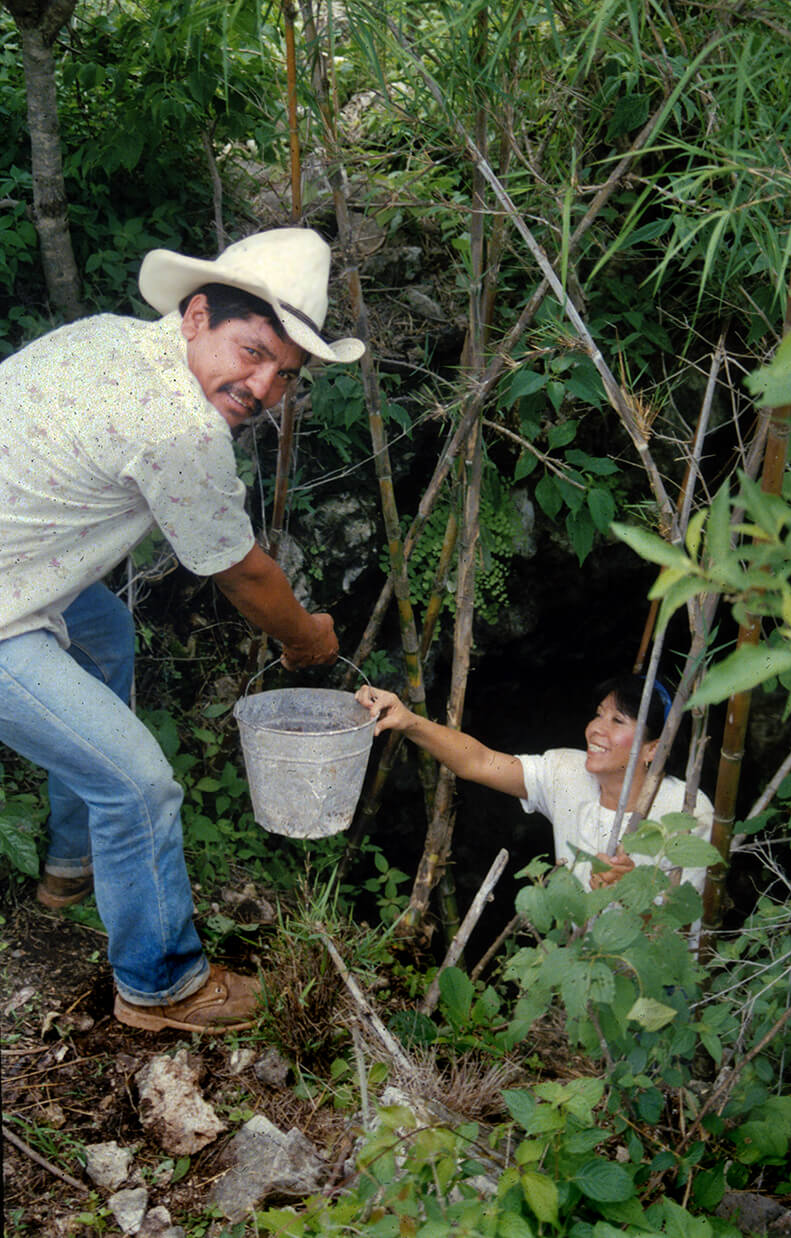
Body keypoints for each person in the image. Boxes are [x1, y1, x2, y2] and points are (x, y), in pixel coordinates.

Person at [0, 228, 364, 1033]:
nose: (263, 386)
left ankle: (72, 863)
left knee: (104, 640)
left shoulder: (109, 337)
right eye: (252, 351)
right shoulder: (181, 427)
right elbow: (244, 574)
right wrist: (307, 642)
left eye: (284, 375)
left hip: (19, 561)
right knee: (138, 785)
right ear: (196, 315)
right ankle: (162, 986)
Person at [356, 675, 713, 899]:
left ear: (654, 748)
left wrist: (631, 894)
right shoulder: (567, 771)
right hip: (581, 968)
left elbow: (681, 932)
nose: (595, 729)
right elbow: (478, 762)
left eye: (617, 720)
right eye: (599, 713)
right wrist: (407, 720)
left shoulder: (686, 812)